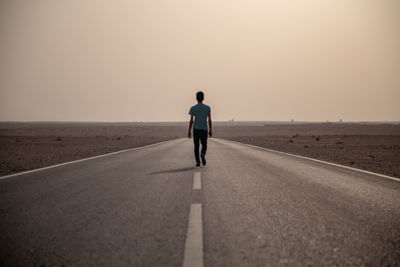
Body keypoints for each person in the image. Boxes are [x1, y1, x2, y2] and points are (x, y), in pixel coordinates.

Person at [188, 91, 212, 167]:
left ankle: (198, 162)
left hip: (196, 129)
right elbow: (209, 120)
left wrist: (189, 131)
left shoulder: (193, 108)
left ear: (196, 98)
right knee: (204, 144)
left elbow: (191, 120)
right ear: (203, 98)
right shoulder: (207, 108)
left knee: (196, 146)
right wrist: (211, 129)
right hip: (204, 129)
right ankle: (203, 153)